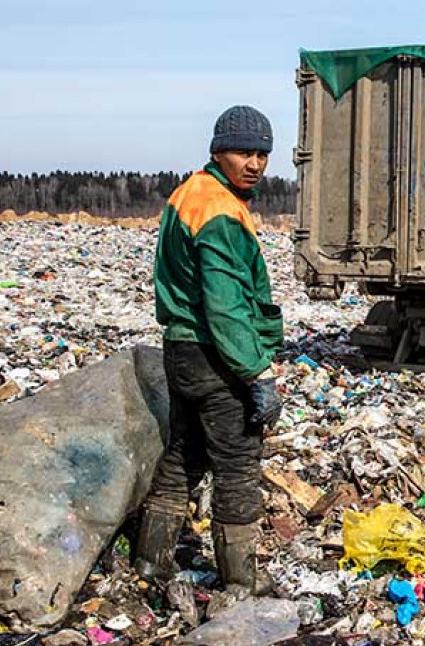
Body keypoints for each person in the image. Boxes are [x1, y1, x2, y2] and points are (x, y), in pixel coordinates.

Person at [134, 105, 284, 595]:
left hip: (181, 349)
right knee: (238, 465)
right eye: (245, 152)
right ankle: (240, 580)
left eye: (262, 153)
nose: (256, 163)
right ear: (218, 150)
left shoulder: (191, 193)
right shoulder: (218, 210)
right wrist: (257, 373)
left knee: (184, 454)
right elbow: (225, 306)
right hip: (215, 356)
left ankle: (151, 562)